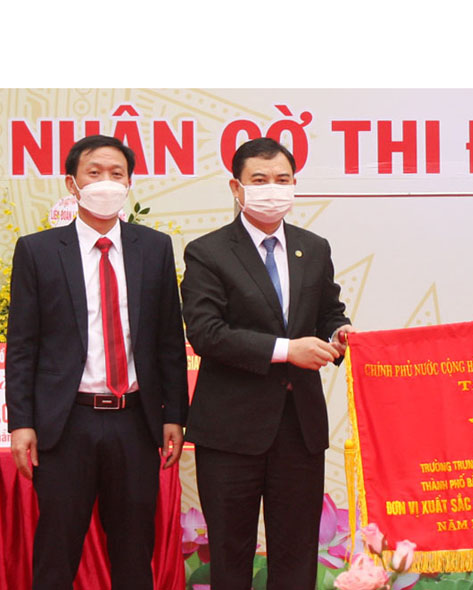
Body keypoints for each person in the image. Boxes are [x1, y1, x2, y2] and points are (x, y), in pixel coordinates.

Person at [6, 134, 189, 590]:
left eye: (116, 173)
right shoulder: (38, 251)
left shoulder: (154, 248)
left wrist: (174, 415)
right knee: (56, 551)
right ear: (72, 183)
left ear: (129, 183)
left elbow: (169, 339)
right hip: (66, 422)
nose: (106, 182)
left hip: (135, 421)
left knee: (133, 553)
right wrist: (21, 422)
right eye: (94, 173)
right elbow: (23, 344)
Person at [181, 137, 353, 590]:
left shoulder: (313, 248)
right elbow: (205, 332)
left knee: (297, 555)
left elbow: (329, 312)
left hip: (299, 427)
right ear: (236, 188)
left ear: (294, 184)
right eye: (259, 180)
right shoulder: (208, 252)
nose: (272, 189)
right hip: (230, 431)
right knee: (230, 555)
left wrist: (340, 332)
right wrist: (286, 350)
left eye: (282, 179)